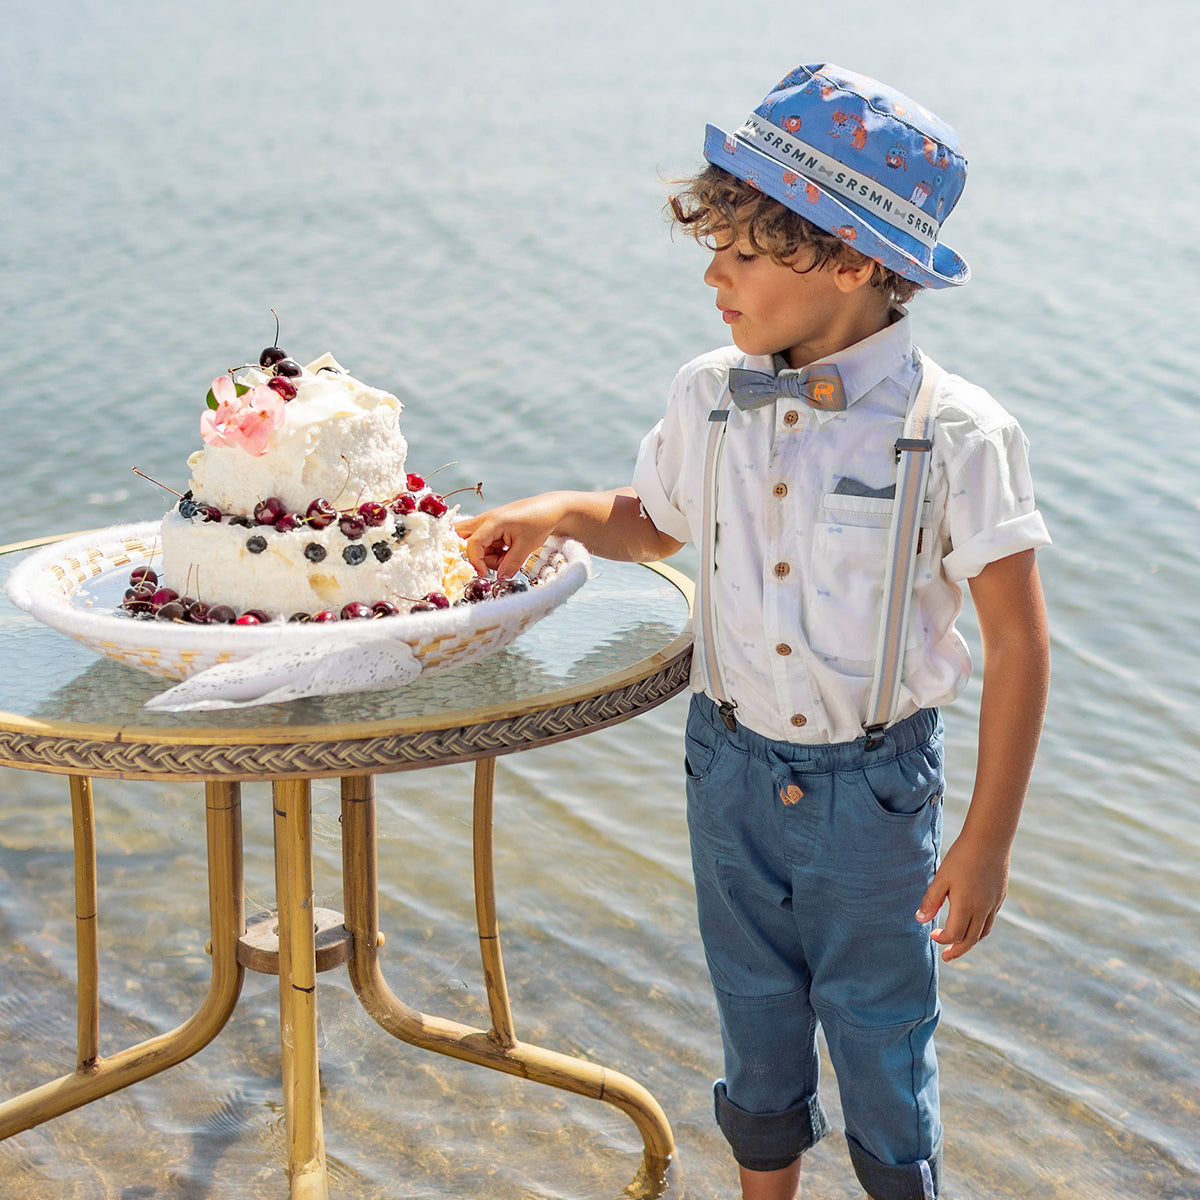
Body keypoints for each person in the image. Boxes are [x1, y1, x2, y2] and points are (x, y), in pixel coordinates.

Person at [458, 62, 1051, 1200]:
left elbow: (1019, 649)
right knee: (755, 1013)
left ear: (849, 261)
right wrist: (557, 514)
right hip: (724, 767)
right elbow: (653, 524)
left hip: (874, 792)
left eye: (742, 252)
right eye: (712, 248)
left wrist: (987, 843)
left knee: (881, 1026)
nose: (715, 278)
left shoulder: (960, 433)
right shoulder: (707, 395)